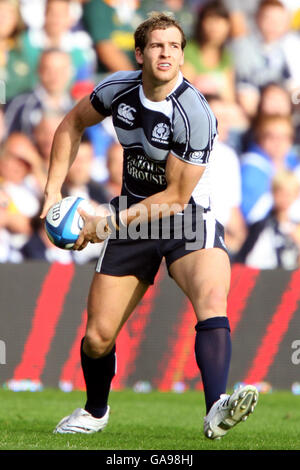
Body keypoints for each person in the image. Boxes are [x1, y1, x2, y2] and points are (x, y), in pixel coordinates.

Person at [40, 12, 258, 440]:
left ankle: (216, 407)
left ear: (182, 54)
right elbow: (71, 123)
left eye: (175, 46)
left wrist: (104, 225)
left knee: (212, 296)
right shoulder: (117, 89)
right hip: (133, 213)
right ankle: (95, 411)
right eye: (157, 45)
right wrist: (52, 193)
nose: (167, 53)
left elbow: (175, 198)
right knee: (97, 339)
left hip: (186, 217)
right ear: (139, 53)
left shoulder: (195, 113)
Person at [236, 169, 300, 269]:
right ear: (273, 192)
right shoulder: (261, 226)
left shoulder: (296, 228)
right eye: (281, 193)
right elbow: (244, 260)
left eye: (289, 194)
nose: (285, 198)